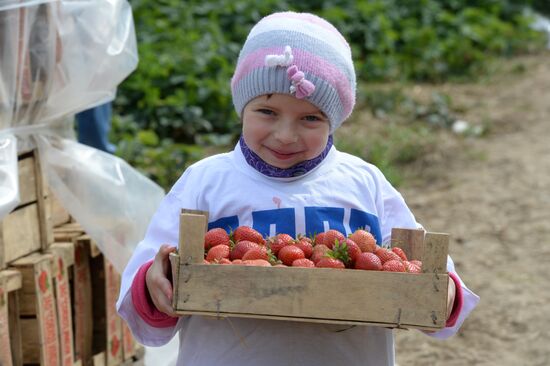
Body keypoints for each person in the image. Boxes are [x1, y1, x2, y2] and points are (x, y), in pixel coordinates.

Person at [117, 11, 479, 365]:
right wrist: (155, 284)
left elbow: (427, 274)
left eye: (310, 118)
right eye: (267, 112)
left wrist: (445, 292)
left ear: (333, 120)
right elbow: (144, 286)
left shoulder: (364, 182)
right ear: (242, 107)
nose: (286, 135)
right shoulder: (205, 182)